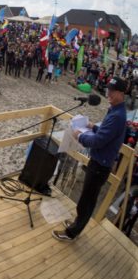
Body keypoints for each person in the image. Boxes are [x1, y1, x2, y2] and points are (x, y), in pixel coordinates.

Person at [52, 76, 128, 242]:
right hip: (99, 163)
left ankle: (72, 233)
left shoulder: (117, 115)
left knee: (87, 200)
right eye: (108, 89)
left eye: (112, 91)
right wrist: (94, 126)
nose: (108, 93)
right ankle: (76, 224)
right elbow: (107, 134)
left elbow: (98, 141)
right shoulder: (116, 111)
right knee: (86, 198)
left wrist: (79, 136)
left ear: (122, 93)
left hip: (100, 165)